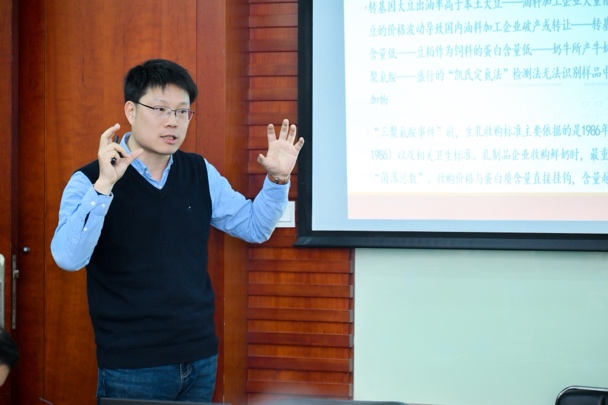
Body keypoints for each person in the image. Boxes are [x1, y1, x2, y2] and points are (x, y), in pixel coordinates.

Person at [50, 58, 304, 402]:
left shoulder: (199, 171)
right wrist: (105, 186)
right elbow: (67, 258)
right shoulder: (89, 180)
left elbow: (255, 226)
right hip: (133, 364)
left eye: (183, 111)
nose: (173, 121)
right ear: (131, 110)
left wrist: (278, 179)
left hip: (199, 357)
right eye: (160, 109)